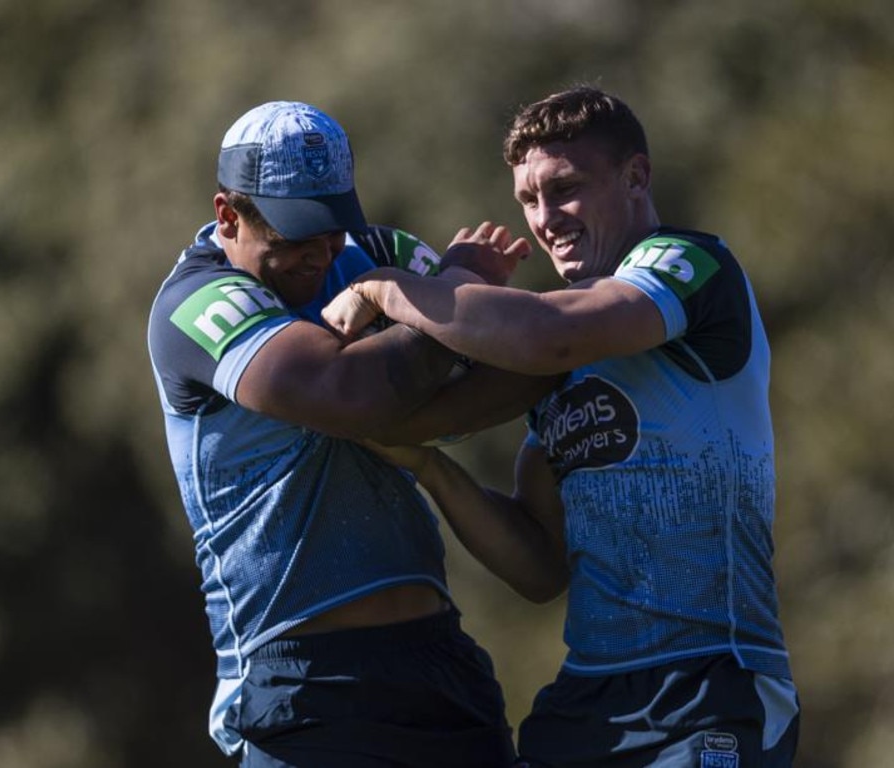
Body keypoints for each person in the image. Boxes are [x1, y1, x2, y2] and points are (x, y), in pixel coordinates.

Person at [322, 86, 800, 767]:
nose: (546, 219)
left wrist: (388, 288)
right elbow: (542, 567)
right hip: (588, 705)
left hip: (709, 687)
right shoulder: (550, 366)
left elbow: (552, 333)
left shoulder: (690, 268)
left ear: (636, 177)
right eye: (527, 199)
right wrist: (430, 466)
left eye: (566, 188)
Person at [146, 100, 547, 768]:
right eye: (297, 233)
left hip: (438, 662)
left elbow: (520, 367)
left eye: (332, 228)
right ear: (227, 216)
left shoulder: (378, 253)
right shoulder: (195, 305)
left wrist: (417, 349)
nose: (324, 252)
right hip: (305, 683)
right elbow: (345, 392)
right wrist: (451, 292)